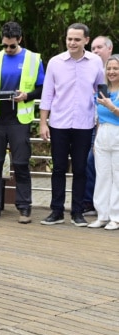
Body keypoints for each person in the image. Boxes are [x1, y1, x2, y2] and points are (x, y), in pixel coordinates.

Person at [0, 21, 45, 224]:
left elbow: (43, 89)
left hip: (20, 119)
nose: (8, 49)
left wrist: (27, 95)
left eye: (12, 46)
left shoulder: (34, 59)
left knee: (21, 164)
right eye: (5, 45)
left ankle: (24, 208)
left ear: (20, 40)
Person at [39, 23, 105, 226]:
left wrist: (101, 122)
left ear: (86, 40)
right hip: (59, 123)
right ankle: (56, 211)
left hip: (84, 124)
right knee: (58, 168)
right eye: (69, 39)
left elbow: (101, 93)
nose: (72, 43)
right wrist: (43, 123)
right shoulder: (55, 62)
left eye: (77, 39)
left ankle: (77, 212)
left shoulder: (95, 63)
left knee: (80, 169)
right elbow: (47, 93)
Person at [83, 36, 114, 216]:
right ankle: (91, 203)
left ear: (109, 49)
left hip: (113, 124)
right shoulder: (90, 69)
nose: (95, 51)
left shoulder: (113, 70)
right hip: (95, 124)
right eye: (93, 48)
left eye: (99, 47)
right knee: (91, 162)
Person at [89, 55, 119, 230]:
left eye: (115, 68)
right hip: (103, 134)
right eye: (109, 69)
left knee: (117, 176)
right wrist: (96, 140)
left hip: (117, 134)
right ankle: (102, 215)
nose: (112, 72)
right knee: (102, 176)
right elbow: (98, 117)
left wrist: (111, 106)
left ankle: (115, 216)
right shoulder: (102, 91)